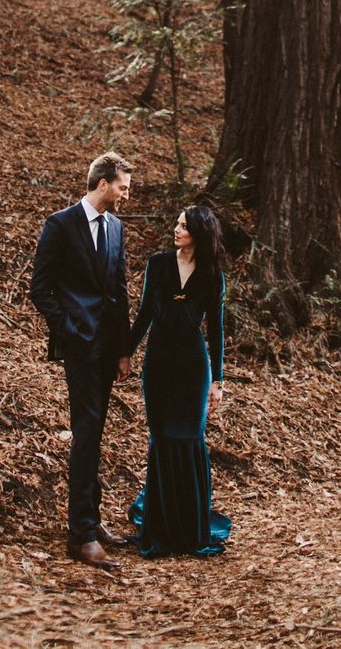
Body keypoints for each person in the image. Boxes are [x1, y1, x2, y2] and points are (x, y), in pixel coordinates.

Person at [29, 152, 133, 570]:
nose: (126, 194)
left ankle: (92, 520)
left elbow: (120, 289)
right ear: (103, 182)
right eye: (123, 186)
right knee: (86, 433)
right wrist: (68, 331)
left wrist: (124, 349)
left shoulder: (116, 227)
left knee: (95, 433)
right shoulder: (60, 224)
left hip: (108, 349)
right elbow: (40, 288)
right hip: (80, 346)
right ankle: (81, 535)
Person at [127, 205, 231, 557]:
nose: (176, 229)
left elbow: (215, 329)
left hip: (192, 368)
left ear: (199, 233)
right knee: (162, 440)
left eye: (183, 226)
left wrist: (217, 380)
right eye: (176, 223)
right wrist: (125, 353)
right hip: (158, 366)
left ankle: (189, 526)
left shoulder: (212, 274)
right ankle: (160, 527)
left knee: (189, 439)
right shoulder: (158, 264)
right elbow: (143, 314)